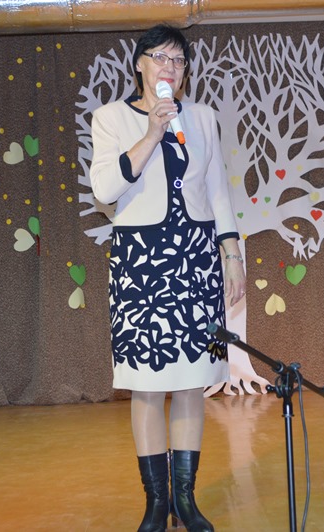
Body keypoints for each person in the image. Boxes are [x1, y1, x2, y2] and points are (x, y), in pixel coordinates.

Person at [89, 24, 246, 532]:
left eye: (178, 61)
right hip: (141, 263)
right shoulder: (110, 118)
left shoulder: (202, 117)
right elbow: (105, 189)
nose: (170, 68)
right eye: (160, 57)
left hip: (196, 259)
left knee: (191, 383)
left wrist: (232, 254)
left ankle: (185, 499)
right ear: (139, 64)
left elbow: (218, 192)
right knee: (147, 387)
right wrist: (152, 132)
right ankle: (157, 503)